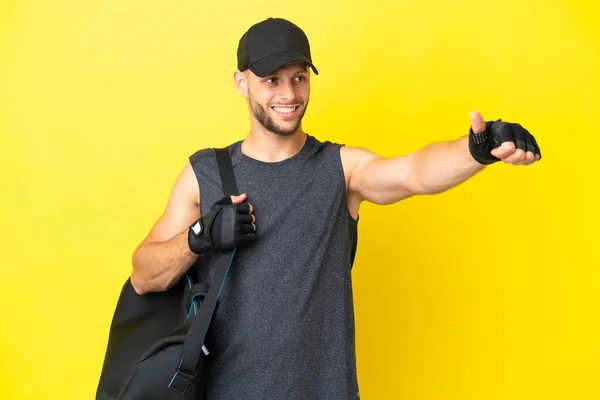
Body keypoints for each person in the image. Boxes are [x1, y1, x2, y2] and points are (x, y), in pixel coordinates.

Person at [129, 17, 541, 400]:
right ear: (241, 83)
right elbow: (144, 275)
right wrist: (199, 238)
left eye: (298, 78)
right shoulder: (206, 172)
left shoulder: (340, 169)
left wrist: (477, 148)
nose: (288, 94)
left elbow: (414, 173)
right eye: (271, 80)